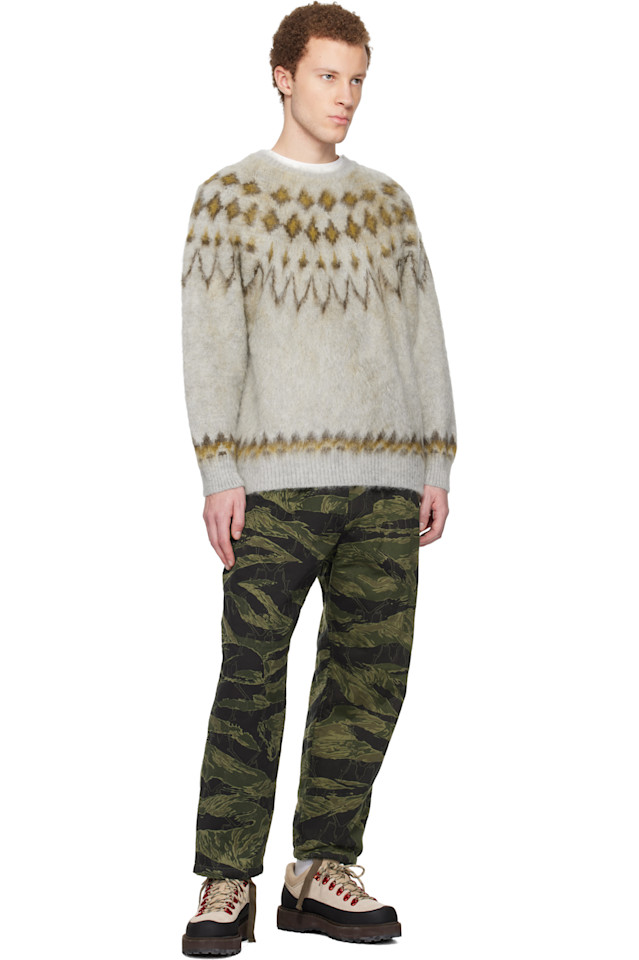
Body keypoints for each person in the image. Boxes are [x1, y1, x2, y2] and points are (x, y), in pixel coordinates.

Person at [180, 3, 457, 954]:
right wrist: (218, 469)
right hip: (273, 483)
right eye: (328, 76)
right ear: (283, 76)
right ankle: (227, 878)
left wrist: (434, 457)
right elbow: (210, 344)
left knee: (368, 680)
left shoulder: (386, 201)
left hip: (386, 478)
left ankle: (319, 870)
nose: (345, 97)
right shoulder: (229, 197)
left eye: (357, 79)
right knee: (250, 680)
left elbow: (422, 334)